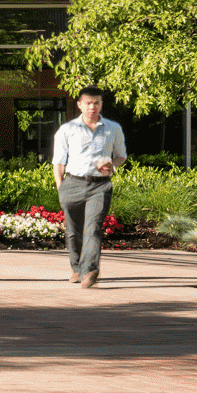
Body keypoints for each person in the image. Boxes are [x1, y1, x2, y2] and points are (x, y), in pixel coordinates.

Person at [50, 86, 126, 290]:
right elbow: (58, 162)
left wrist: (112, 165)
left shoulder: (113, 128)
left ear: (101, 104)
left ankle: (90, 270)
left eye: (97, 102)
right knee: (73, 232)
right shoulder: (67, 129)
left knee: (93, 228)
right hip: (72, 183)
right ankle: (77, 267)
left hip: (100, 186)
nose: (93, 107)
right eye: (88, 103)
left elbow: (121, 156)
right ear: (80, 105)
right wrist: (61, 187)